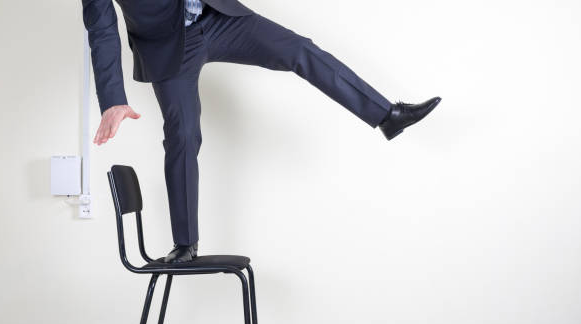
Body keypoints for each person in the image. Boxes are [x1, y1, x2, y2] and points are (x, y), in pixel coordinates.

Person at [82, 0, 442, 263]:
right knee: (184, 134)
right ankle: (185, 243)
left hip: (219, 17)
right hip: (169, 47)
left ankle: (387, 115)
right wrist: (113, 99)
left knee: (300, 50)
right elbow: (101, 32)